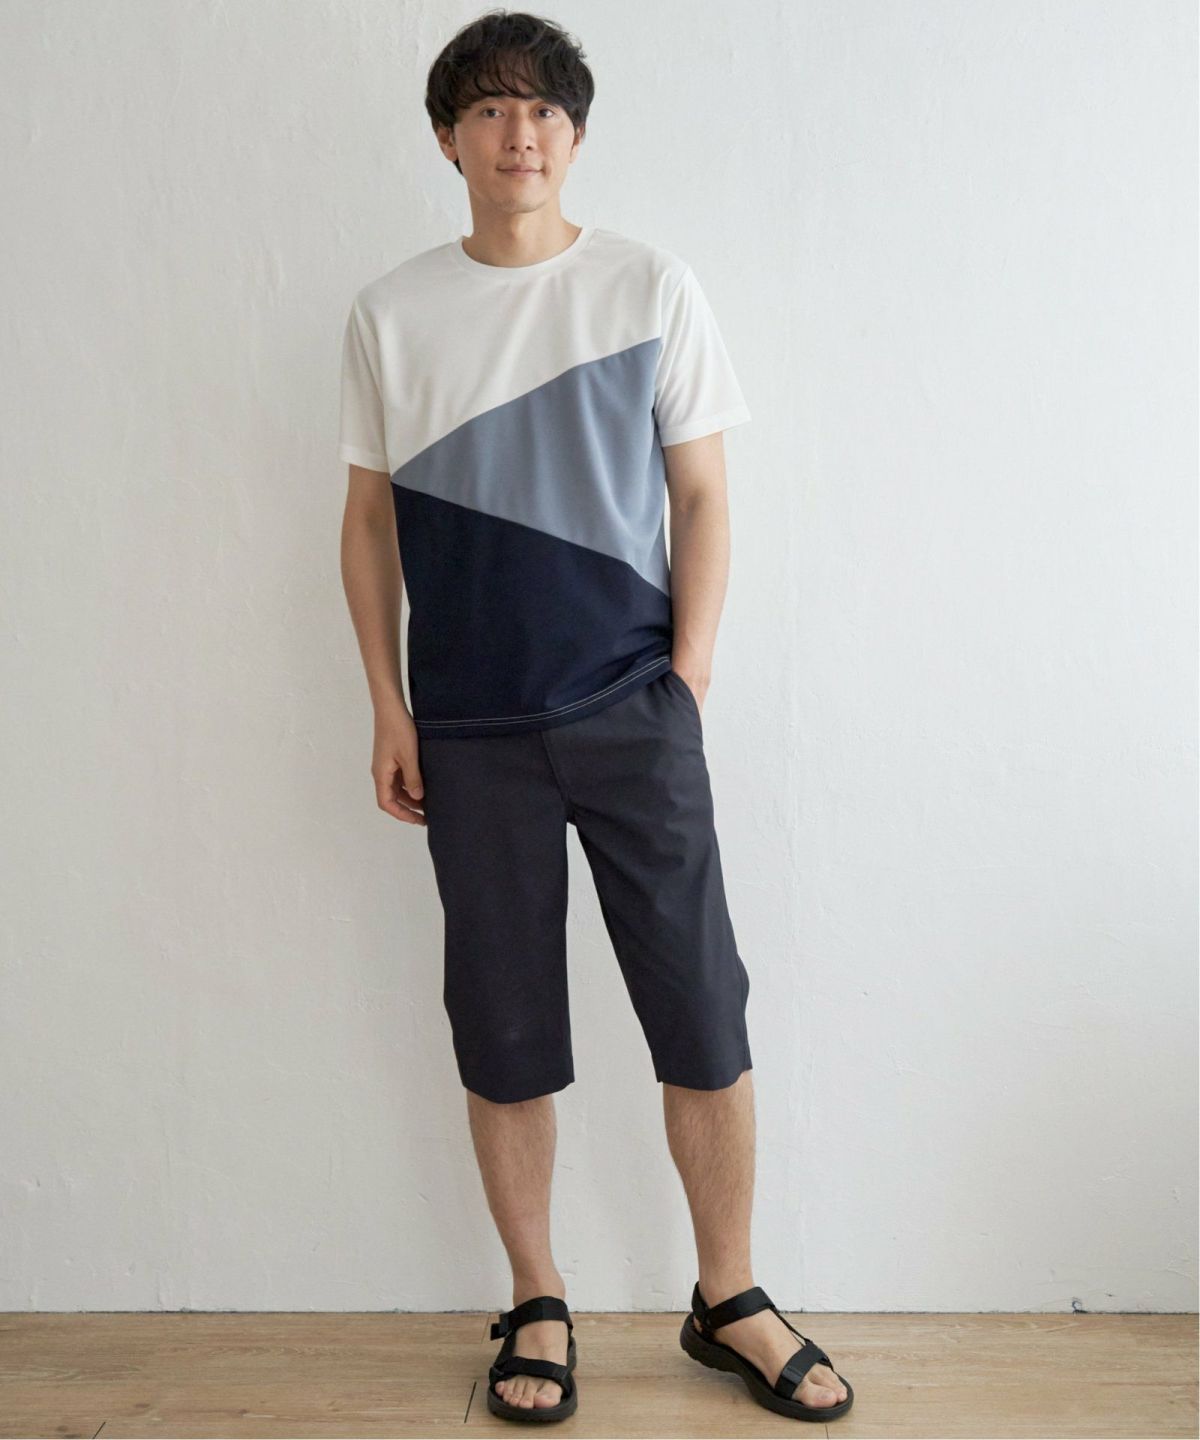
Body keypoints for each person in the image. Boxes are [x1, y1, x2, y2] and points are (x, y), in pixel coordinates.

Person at [337, 8, 854, 1427]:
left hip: (635, 708)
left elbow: (703, 490)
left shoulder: (648, 285)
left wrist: (686, 677)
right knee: (504, 1027)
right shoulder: (390, 313)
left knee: (702, 1009)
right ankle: (537, 1296)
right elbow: (366, 522)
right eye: (491, 110)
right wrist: (388, 705)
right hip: (468, 728)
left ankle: (729, 1296)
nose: (521, 135)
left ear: (574, 137)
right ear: (448, 138)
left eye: (546, 112)